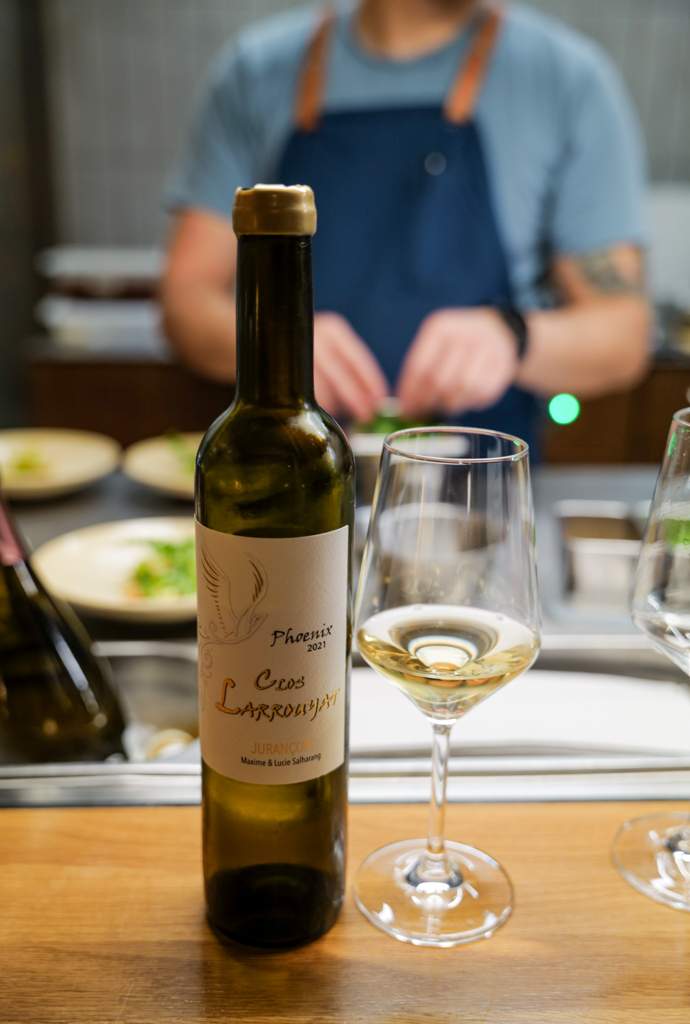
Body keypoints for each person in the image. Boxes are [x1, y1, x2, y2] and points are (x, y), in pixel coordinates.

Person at [162, 0, 651, 454]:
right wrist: (275, 343)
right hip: (288, 479)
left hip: (483, 487)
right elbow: (186, 302)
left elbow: (623, 332)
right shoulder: (255, 72)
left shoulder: (566, 79)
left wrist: (513, 335)